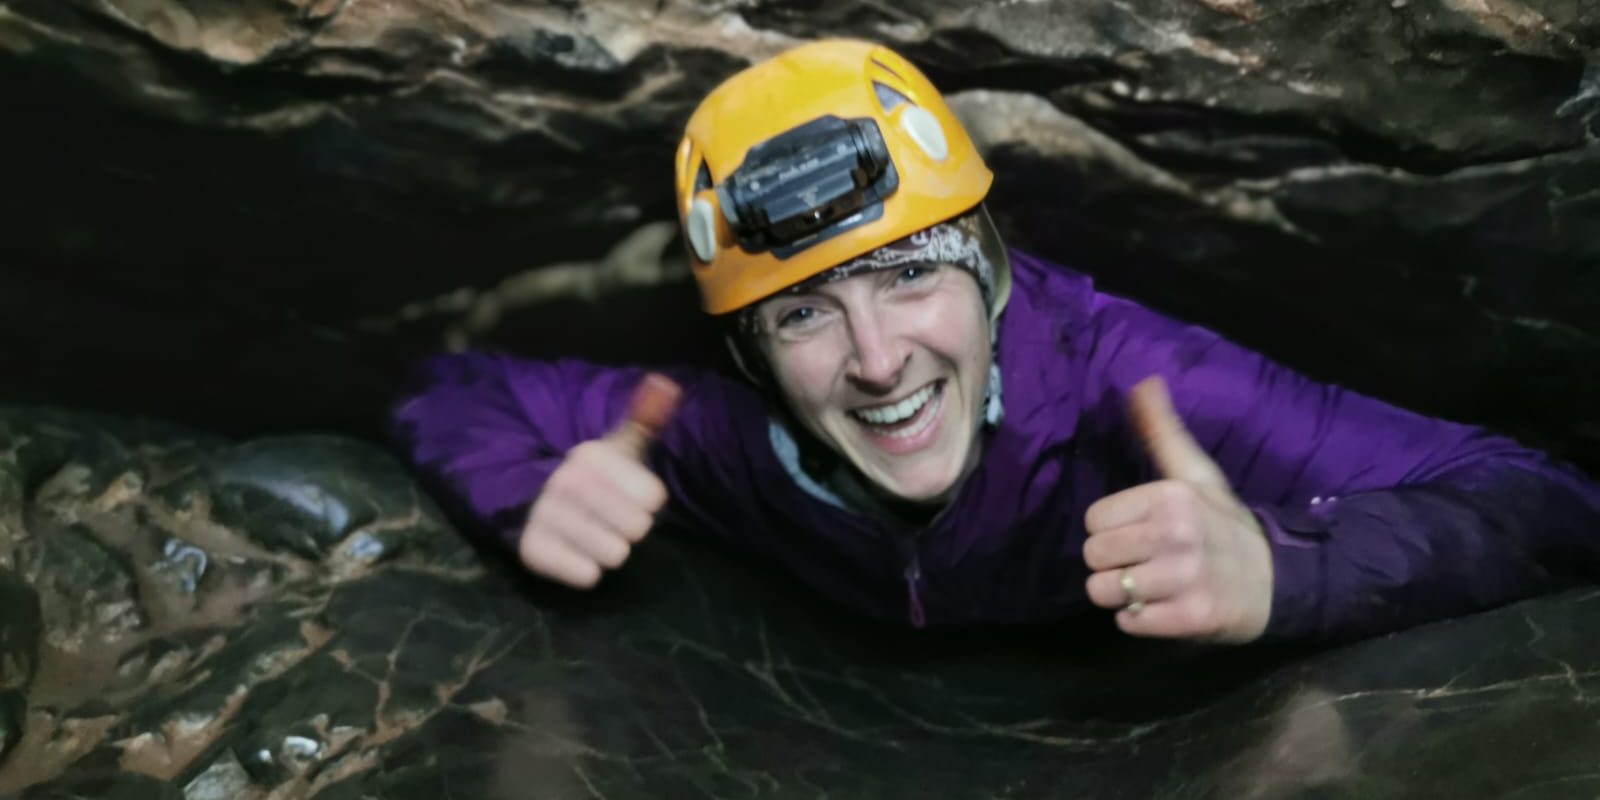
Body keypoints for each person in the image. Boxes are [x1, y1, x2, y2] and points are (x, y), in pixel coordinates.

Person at [390, 38, 1600, 644]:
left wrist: (1288, 567)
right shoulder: (721, 434)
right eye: (804, 309)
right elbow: (445, 384)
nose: (874, 358)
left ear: (993, 270)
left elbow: (1544, 497)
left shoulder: (1138, 386)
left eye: (910, 274)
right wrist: (527, 490)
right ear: (751, 355)